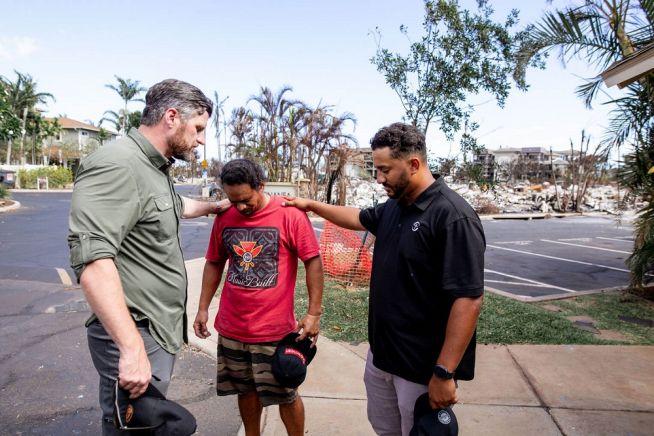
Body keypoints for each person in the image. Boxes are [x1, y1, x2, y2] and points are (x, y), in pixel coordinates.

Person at [283, 122, 485, 436]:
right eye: (376, 170)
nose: (379, 179)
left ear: (414, 164)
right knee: (385, 430)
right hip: (382, 357)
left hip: (420, 368)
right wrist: (311, 206)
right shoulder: (395, 207)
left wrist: (444, 372)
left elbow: (468, 299)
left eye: (385, 170)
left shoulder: (452, 216)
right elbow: (359, 217)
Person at [68, 79, 229, 434]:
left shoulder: (152, 167)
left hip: (153, 329)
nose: (201, 139)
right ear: (172, 117)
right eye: (199, 128)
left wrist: (214, 207)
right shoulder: (117, 164)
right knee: (132, 427)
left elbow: (170, 206)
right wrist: (130, 347)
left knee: (145, 423)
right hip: (135, 330)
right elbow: (93, 263)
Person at [193, 158, 324, 436]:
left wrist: (313, 313)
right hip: (233, 328)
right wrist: (203, 307)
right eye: (232, 199)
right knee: (245, 390)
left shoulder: (289, 214)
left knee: (286, 393)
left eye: (245, 200)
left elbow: (312, 260)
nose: (239, 207)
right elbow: (215, 262)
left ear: (260, 186)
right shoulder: (225, 217)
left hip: (274, 331)